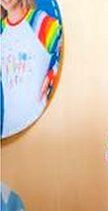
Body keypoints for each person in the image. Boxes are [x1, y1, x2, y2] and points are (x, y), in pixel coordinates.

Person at [1, 0, 63, 138]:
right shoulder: (1, 31)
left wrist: (53, 73)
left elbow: (69, 50)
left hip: (40, 128)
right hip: (8, 133)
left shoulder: (39, 22)